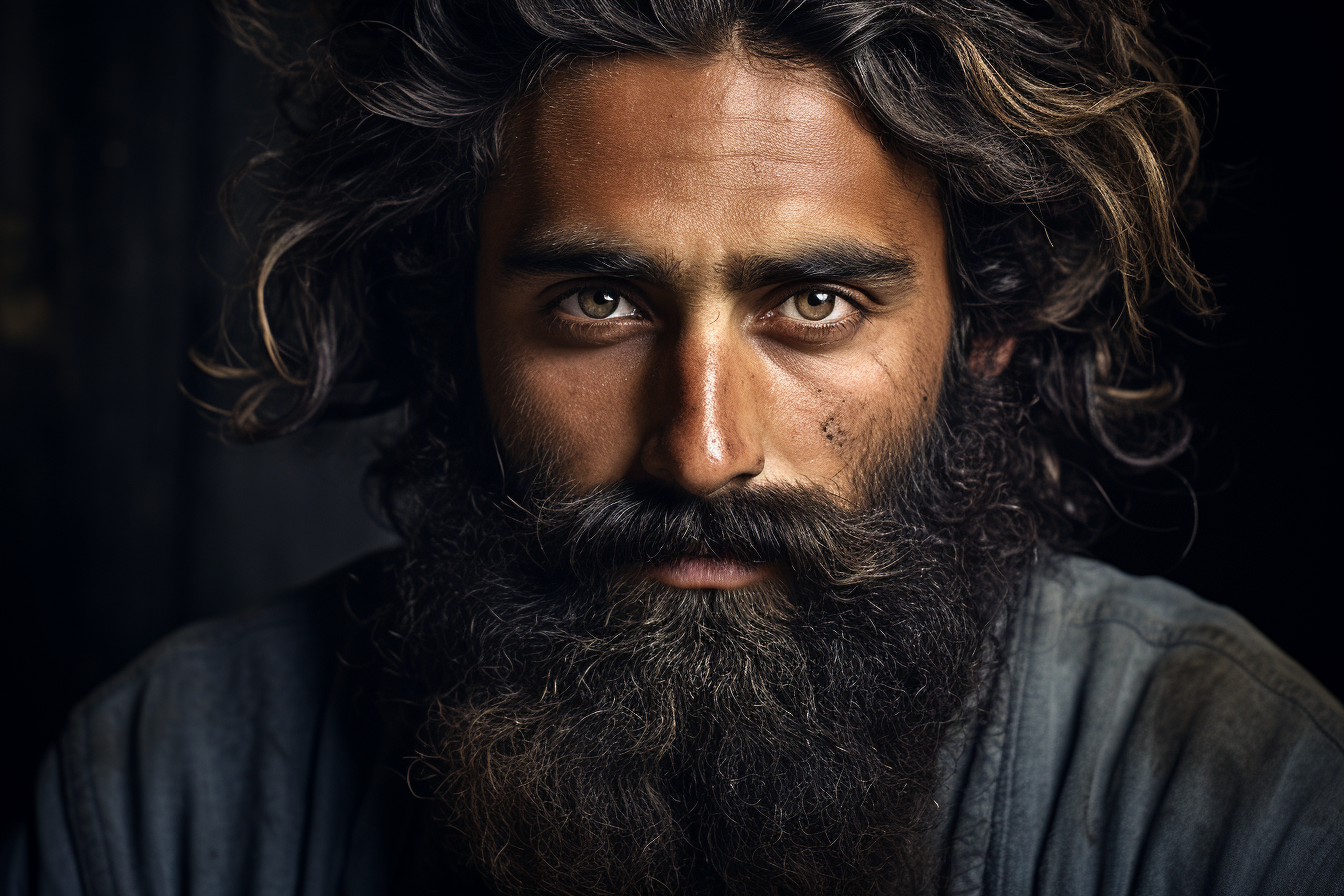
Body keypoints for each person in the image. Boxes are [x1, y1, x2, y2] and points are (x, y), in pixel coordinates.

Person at [5, 1, 1342, 893]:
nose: (700, 452)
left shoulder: (1236, 796)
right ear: (451, 316)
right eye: (601, 302)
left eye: (813, 304)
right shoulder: (169, 796)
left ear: (981, 324)